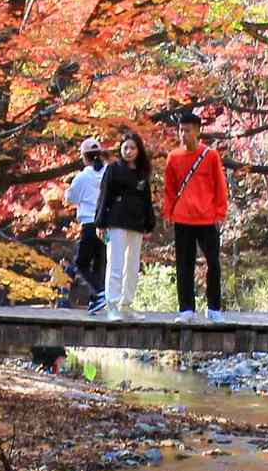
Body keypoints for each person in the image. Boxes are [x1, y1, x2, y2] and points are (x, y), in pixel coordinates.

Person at [160, 109, 228, 320]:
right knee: (184, 263)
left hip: (207, 217)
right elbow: (170, 189)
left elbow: (220, 185)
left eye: (188, 130)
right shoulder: (173, 157)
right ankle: (186, 308)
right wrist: (168, 212)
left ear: (198, 131)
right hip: (183, 218)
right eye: (181, 131)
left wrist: (220, 211)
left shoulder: (210, 155)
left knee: (213, 263)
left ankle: (214, 308)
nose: (184, 135)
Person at [93, 130, 155, 316]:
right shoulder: (114, 169)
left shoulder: (142, 173)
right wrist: (100, 223)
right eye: (125, 147)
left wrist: (149, 224)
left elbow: (147, 200)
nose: (129, 151)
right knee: (116, 262)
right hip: (117, 220)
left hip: (136, 222)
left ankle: (126, 304)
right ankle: (112, 304)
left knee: (133, 265)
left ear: (139, 150)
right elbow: (104, 196)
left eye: (132, 148)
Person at [65, 136, 108, 309]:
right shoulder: (108, 173)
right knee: (100, 262)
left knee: (81, 262)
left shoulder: (82, 178)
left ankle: (98, 292)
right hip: (105, 224)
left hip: (89, 224)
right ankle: (96, 300)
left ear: (84, 157)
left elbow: (70, 198)